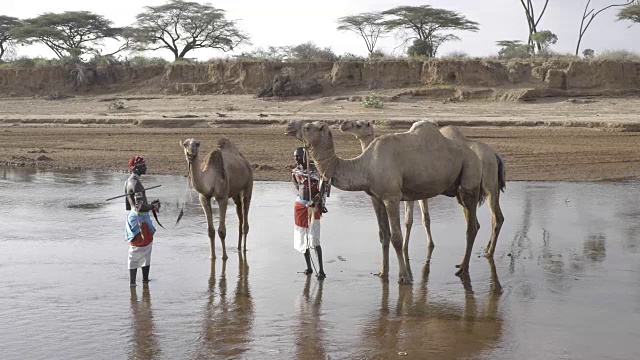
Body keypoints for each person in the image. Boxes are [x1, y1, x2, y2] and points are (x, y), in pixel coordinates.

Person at [291, 147, 329, 280]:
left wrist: (315, 200)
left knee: (314, 238)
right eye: (295, 157)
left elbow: (323, 189)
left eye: (299, 156)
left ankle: (321, 270)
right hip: (300, 205)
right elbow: (297, 186)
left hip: (313, 207)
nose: (297, 159)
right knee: (302, 237)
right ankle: (309, 267)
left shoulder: (316, 170)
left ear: (306, 156)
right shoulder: (296, 171)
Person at [125, 155, 161, 287]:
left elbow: (130, 206)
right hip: (141, 222)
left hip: (133, 219)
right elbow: (140, 207)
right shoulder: (136, 183)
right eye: (143, 165)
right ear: (135, 167)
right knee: (141, 251)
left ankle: (138, 284)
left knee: (140, 252)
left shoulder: (128, 181)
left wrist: (149, 205)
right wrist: (153, 206)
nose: (145, 167)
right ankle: (135, 284)